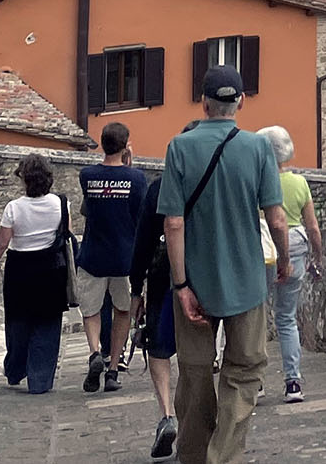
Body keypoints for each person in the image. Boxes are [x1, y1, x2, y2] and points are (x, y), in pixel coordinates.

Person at [159, 65, 290, 464]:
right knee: (245, 368)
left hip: (195, 280)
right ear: (241, 103)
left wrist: (181, 286)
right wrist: (284, 260)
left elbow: (174, 222)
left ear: (203, 103)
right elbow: (277, 217)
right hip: (247, 280)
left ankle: (195, 455)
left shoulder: (179, 147)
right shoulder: (257, 148)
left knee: (196, 372)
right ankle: (224, 456)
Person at [0, 153, 70, 394]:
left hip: (20, 269)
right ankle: (40, 379)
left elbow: (1, 243)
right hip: (52, 269)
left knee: (18, 322)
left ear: (24, 179)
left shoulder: (14, 208)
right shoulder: (61, 204)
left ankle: (15, 369)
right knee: (48, 324)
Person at [78, 121, 152, 393]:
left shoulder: (86, 175)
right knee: (122, 311)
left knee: (91, 310)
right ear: (125, 145)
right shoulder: (137, 179)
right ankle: (112, 371)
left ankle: (95, 351)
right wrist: (129, 165)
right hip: (124, 257)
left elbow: (89, 207)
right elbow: (140, 214)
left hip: (93, 255)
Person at [254, 125, 326, 404]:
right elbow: (314, 228)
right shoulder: (299, 183)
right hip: (295, 251)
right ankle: (293, 381)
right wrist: (316, 258)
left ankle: (257, 381)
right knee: (287, 318)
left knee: (257, 318)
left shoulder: (257, 182)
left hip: (263, 252)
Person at [128, 174, 179, 458]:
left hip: (163, 272)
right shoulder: (216, 180)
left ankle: (167, 414)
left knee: (158, 348)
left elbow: (144, 239)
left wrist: (136, 289)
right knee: (196, 352)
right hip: (206, 275)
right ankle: (197, 418)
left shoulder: (160, 187)